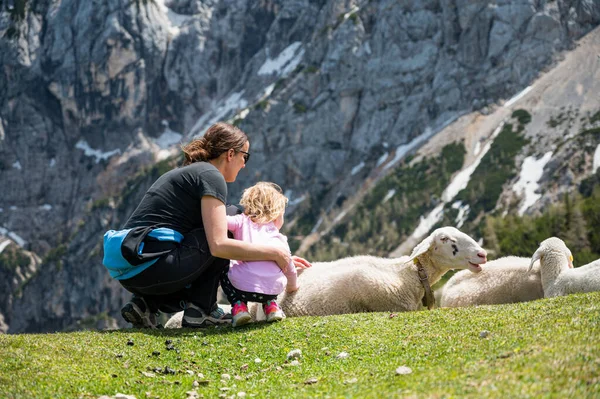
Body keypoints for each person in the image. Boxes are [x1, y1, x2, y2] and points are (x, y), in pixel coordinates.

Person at [102, 122, 311, 328]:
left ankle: (145, 304)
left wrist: (263, 258)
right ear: (230, 154)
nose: (244, 164)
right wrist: (274, 254)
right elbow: (219, 245)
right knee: (232, 218)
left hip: (132, 271)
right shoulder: (211, 176)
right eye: (244, 157)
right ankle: (202, 311)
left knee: (219, 226)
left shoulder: (192, 172)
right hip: (156, 265)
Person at [219, 182, 298, 327]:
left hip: (242, 287)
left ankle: (239, 308)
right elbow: (289, 267)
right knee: (275, 272)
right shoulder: (278, 237)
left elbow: (219, 221)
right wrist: (292, 287)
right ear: (276, 215)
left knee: (223, 263)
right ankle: (271, 307)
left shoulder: (241, 221)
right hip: (272, 289)